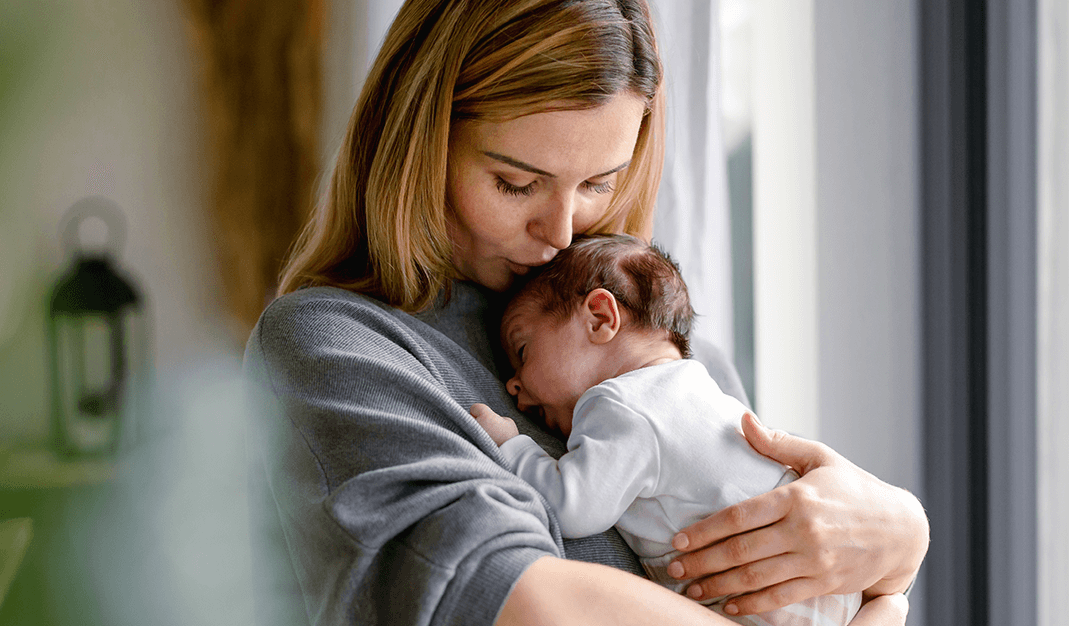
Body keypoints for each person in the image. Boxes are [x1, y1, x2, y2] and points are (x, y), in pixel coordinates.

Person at [243, 1, 928, 625]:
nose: (562, 232)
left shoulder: (680, 358)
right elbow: (511, 594)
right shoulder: (337, 346)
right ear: (422, 141)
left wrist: (898, 543)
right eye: (517, 182)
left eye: (598, 183)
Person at [469, 233, 865, 626]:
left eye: (523, 352)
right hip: (828, 588)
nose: (513, 386)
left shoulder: (623, 405)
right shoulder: (697, 389)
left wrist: (511, 443)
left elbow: (571, 506)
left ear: (600, 318)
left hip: (774, 599)